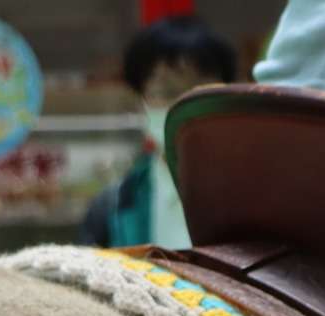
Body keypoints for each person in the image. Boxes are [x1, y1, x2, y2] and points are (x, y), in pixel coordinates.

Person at [79, 16, 238, 250]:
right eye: (166, 91)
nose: (184, 105)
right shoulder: (112, 208)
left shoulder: (257, 201)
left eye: (200, 90)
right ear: (139, 104)